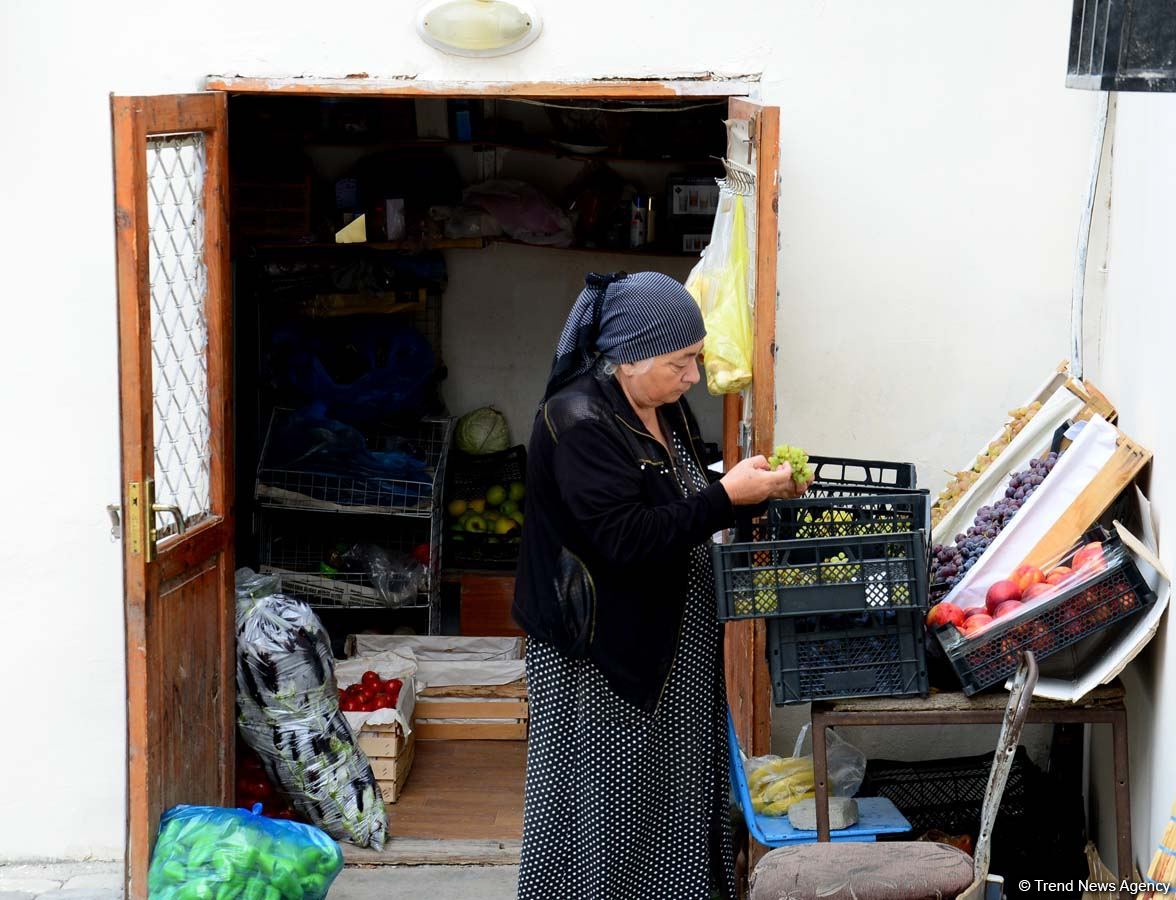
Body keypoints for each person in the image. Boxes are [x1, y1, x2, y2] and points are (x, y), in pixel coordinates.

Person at [512, 271, 807, 900]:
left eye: (696, 359)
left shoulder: (663, 407)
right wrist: (728, 499)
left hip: (670, 649)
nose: (693, 377)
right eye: (682, 362)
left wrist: (747, 489)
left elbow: (686, 499)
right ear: (629, 356)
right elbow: (625, 539)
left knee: (675, 797)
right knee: (603, 809)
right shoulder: (579, 422)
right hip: (600, 657)